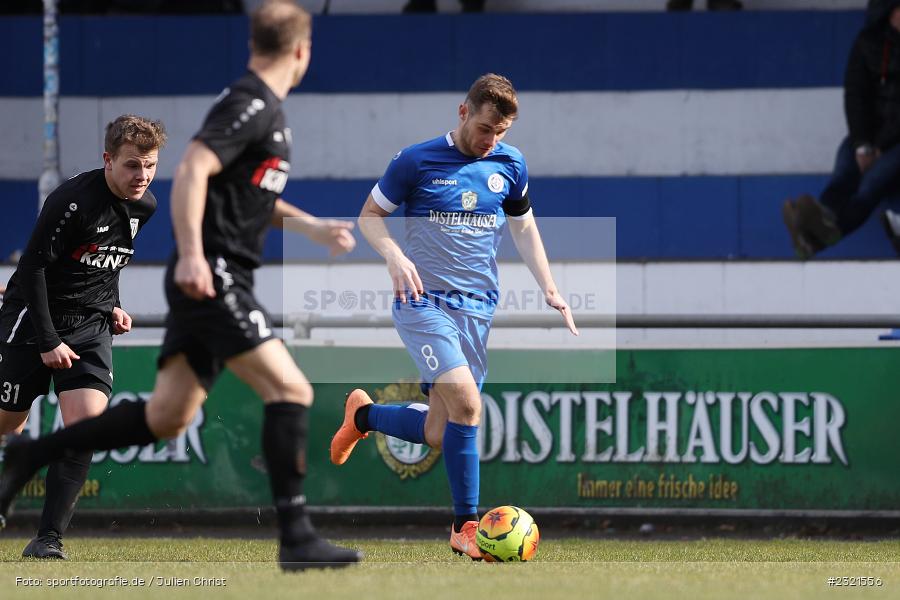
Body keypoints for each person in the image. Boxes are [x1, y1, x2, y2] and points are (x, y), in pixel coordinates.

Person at [0, 0, 361, 571]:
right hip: (214, 275)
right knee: (292, 391)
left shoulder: (263, 109)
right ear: (302, 50)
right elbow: (194, 168)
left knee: (168, 416)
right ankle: (296, 538)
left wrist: (311, 227)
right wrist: (194, 254)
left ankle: (29, 456)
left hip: (192, 284)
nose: (143, 175)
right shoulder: (252, 104)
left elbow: (247, 194)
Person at [329, 73, 578, 560]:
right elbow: (368, 216)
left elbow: (524, 226)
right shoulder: (416, 160)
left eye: (501, 132)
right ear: (463, 113)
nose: (492, 141)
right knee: (468, 406)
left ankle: (362, 416)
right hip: (422, 302)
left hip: (477, 308)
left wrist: (549, 287)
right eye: (486, 128)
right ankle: (465, 527)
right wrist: (394, 257)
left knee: (441, 432)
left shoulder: (510, 164)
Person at [0, 114, 166, 559]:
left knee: (84, 430)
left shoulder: (145, 206)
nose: (143, 176)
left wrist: (111, 303)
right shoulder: (71, 201)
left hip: (90, 324)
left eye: (150, 165)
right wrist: (49, 339)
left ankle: (47, 539)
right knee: (8, 422)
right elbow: (32, 268)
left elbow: (107, 260)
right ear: (108, 160)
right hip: (34, 319)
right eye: (133, 165)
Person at [783, 0, 900, 259]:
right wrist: (862, 143)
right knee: (843, 174)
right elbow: (855, 96)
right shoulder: (867, 43)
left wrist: (878, 147)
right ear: (891, 12)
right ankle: (814, 224)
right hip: (869, 136)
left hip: (893, 143)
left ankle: (813, 238)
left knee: (869, 187)